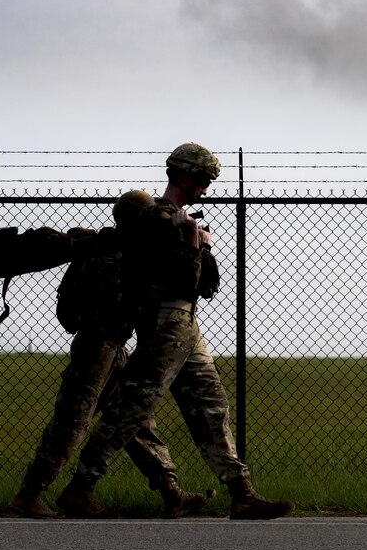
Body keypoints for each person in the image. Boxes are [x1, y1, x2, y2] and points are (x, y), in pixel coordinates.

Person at [58, 143, 295, 520]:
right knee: (131, 409)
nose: (206, 187)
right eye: (202, 179)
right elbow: (188, 281)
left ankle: (242, 493)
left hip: (184, 325)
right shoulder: (160, 220)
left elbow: (204, 286)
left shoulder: (176, 219)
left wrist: (196, 243)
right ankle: (80, 488)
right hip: (164, 323)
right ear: (183, 175)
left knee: (210, 405)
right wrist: (195, 246)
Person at [10, 190, 215, 519]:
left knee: (135, 419)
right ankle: (29, 495)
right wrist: (191, 246)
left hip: (112, 345)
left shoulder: (103, 247)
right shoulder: (124, 254)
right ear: (140, 219)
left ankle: (171, 492)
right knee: (72, 421)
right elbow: (172, 289)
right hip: (98, 347)